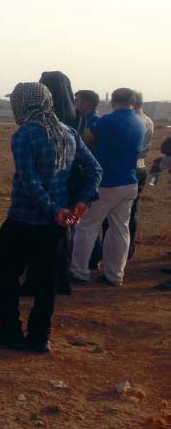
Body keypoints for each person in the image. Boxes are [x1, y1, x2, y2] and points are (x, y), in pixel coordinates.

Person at [0, 83, 101, 353]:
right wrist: (80, 203)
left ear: (23, 103)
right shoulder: (68, 132)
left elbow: (29, 181)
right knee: (46, 281)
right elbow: (95, 169)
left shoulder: (25, 134)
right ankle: (39, 335)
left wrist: (53, 209)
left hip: (24, 219)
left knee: (3, 274)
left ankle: (10, 328)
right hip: (56, 225)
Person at [70, 88, 145, 286]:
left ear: (112, 100)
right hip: (129, 181)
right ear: (132, 100)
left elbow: (83, 140)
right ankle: (115, 274)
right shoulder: (140, 122)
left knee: (87, 226)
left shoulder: (106, 121)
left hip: (106, 182)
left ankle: (79, 271)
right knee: (120, 229)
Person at [127, 91, 154, 260]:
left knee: (118, 216)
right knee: (131, 211)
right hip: (141, 166)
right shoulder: (149, 120)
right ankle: (129, 249)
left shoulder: (132, 121)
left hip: (128, 167)